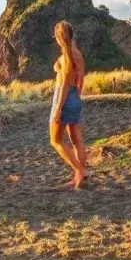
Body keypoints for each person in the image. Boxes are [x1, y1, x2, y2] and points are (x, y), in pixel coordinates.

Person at [49, 21, 87, 188]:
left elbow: (64, 83)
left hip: (63, 97)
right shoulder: (77, 54)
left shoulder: (66, 57)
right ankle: (80, 174)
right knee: (75, 139)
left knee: (56, 140)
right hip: (75, 96)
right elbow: (81, 79)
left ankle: (79, 171)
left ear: (59, 37)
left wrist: (58, 108)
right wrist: (76, 96)